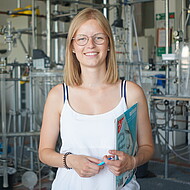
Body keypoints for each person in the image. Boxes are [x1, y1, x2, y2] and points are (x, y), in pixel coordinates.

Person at [39, 7, 154, 190]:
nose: (90, 45)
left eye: (98, 37)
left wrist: (132, 162)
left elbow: (147, 147)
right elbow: (44, 153)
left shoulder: (131, 93)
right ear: (73, 47)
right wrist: (70, 160)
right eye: (82, 39)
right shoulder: (58, 95)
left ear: (108, 44)